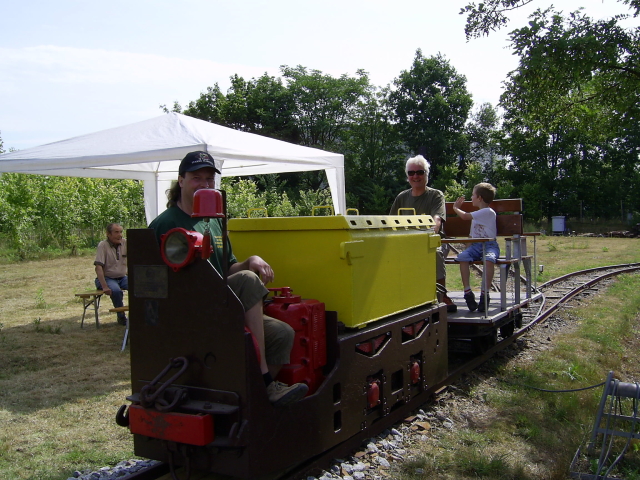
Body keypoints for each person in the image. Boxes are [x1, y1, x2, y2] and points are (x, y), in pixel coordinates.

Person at [148, 151, 308, 407]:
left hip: (220, 303)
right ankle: (266, 383)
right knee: (247, 280)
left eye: (209, 179)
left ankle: (252, 398)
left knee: (282, 333)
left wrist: (250, 260)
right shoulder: (164, 224)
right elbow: (151, 280)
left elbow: (228, 268)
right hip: (188, 310)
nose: (204, 184)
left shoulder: (215, 221)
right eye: (196, 178)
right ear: (181, 181)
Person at [390, 155, 457, 313]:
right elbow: (391, 222)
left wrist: (424, 237)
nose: (415, 176)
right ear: (407, 176)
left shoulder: (435, 195)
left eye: (420, 172)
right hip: (407, 242)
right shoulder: (401, 197)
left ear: (426, 174)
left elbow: (436, 221)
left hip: (433, 241)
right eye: (411, 173)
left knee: (436, 253)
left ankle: (442, 295)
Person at [452, 183, 500, 313]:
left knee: (489, 259)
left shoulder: (487, 212)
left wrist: (455, 208)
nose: (471, 197)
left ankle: (485, 294)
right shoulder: (477, 214)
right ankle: (467, 292)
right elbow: (471, 236)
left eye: (473, 195)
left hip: (489, 245)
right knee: (463, 257)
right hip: (476, 245)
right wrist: (467, 250)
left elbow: (464, 216)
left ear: (479, 198)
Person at [94, 223, 128, 325]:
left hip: (122, 277)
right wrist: (104, 286)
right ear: (108, 234)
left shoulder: (125, 243)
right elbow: (98, 267)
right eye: (116, 232)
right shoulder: (103, 245)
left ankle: (141, 315)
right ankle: (121, 317)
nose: (120, 235)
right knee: (116, 291)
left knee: (139, 287)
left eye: (121, 232)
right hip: (108, 278)